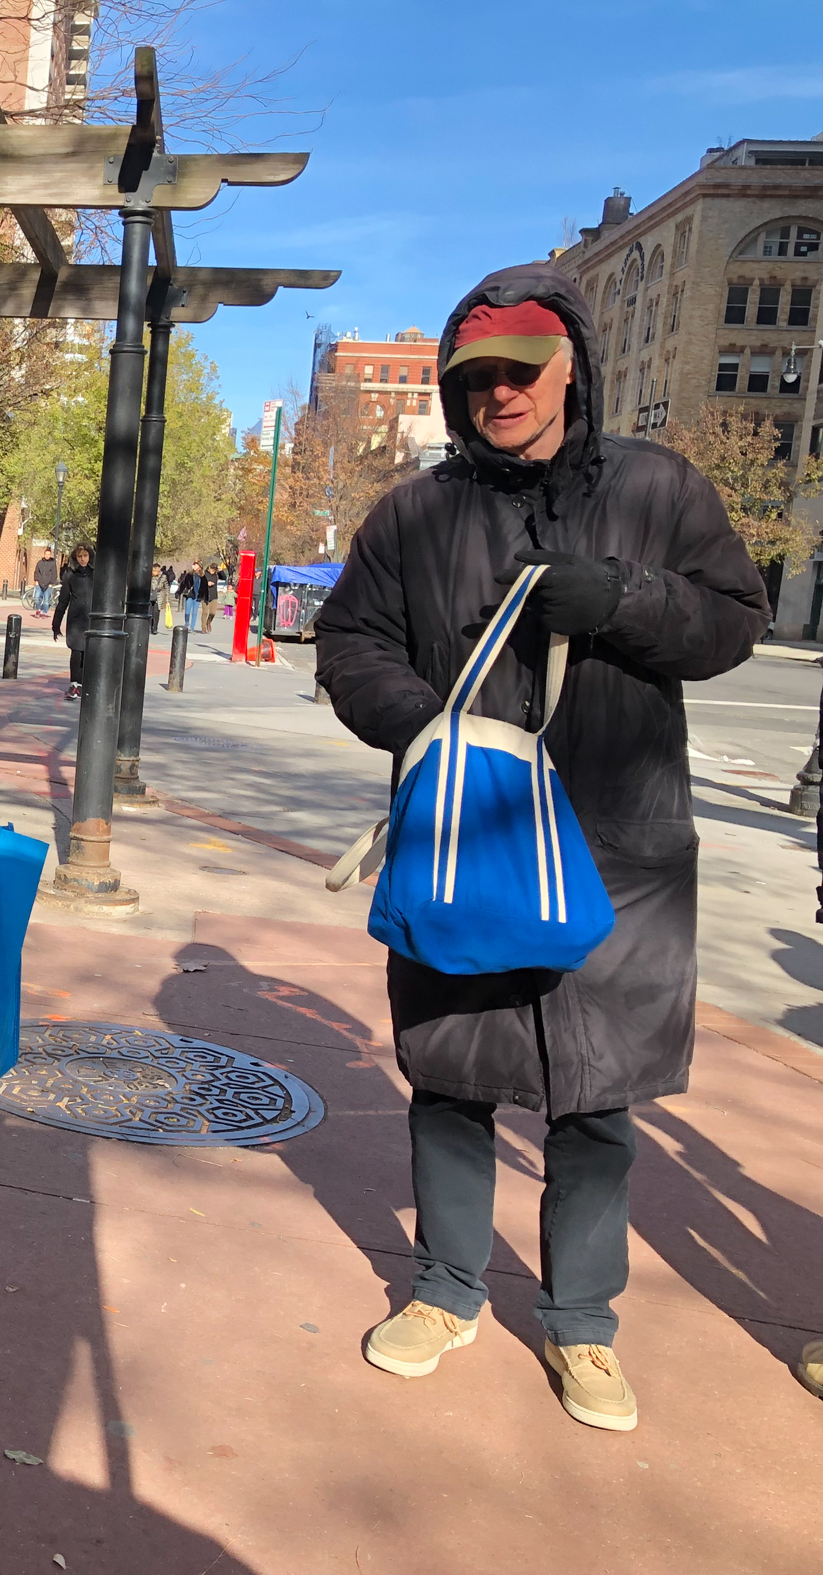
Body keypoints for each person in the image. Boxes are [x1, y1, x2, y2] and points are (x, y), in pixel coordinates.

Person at [316, 266, 768, 1433]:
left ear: (572, 365)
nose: (500, 394)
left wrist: (619, 598)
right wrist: (429, 732)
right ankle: (447, 1287)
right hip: (464, 834)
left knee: (597, 1097)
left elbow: (733, 618)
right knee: (451, 1075)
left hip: (617, 841)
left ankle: (583, 1323)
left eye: (521, 371)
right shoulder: (413, 512)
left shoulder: (661, 488)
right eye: (477, 379)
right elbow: (351, 642)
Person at [52, 543, 94, 698]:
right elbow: (63, 601)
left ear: (90, 556)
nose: (82, 559)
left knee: (86, 652)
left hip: (91, 618)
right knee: (76, 650)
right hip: (76, 618)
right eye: (79, 556)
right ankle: (73, 684)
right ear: (75, 558)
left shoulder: (96, 574)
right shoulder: (70, 575)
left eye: (85, 555)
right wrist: (56, 623)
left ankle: (82, 685)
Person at [33, 548, 59, 614]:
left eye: (48, 554)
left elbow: (54, 574)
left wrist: (51, 583)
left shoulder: (52, 563)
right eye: (46, 554)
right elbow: (36, 572)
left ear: (50, 555)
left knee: (46, 600)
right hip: (39, 583)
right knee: (36, 598)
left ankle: (44, 612)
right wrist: (36, 580)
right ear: (44, 554)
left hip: (48, 584)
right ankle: (38, 609)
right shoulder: (40, 563)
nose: (47, 555)